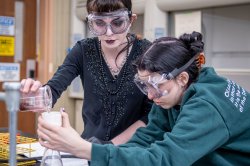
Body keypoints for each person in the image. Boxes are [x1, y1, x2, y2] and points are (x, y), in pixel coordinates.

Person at [37, 31, 250, 165]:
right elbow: (146, 139)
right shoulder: (172, 94)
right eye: (144, 85)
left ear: (182, 77)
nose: (150, 95)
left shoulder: (207, 106)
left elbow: (165, 159)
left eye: (155, 86)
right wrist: (97, 156)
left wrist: (85, 149)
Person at [21, 0, 152, 145]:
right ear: (90, 21)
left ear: (131, 20)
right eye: (100, 23)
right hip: (89, 150)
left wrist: (107, 148)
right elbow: (53, 89)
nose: (109, 32)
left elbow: (151, 115)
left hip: (134, 152)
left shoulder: (147, 52)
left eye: (117, 23)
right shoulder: (84, 50)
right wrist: (34, 96)